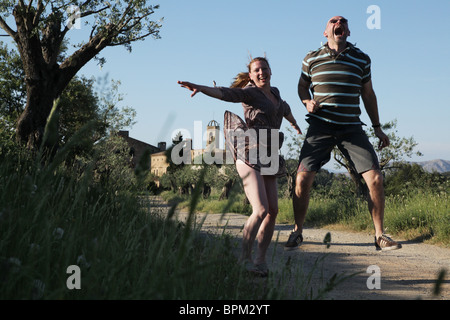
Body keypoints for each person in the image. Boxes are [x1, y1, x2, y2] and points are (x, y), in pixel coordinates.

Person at [285, 16, 402, 251]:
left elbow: (368, 95)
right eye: (333, 21)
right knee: (302, 178)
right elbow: (301, 86)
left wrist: (377, 128)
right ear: (325, 31)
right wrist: (306, 101)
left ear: (347, 32)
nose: (339, 22)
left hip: (351, 127)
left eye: (344, 22)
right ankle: (297, 231)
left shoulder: (362, 59)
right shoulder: (311, 58)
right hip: (320, 126)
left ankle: (380, 235)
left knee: (376, 178)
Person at [178, 57, 302, 276]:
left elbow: (285, 109)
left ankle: (260, 261)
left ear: (271, 71)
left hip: (270, 152)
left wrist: (293, 122)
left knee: (273, 211)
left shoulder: (276, 94)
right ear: (251, 75)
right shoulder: (249, 92)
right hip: (250, 150)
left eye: (264, 69)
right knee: (261, 209)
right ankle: (243, 259)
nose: (261, 72)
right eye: (257, 70)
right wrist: (201, 88)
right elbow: (225, 93)